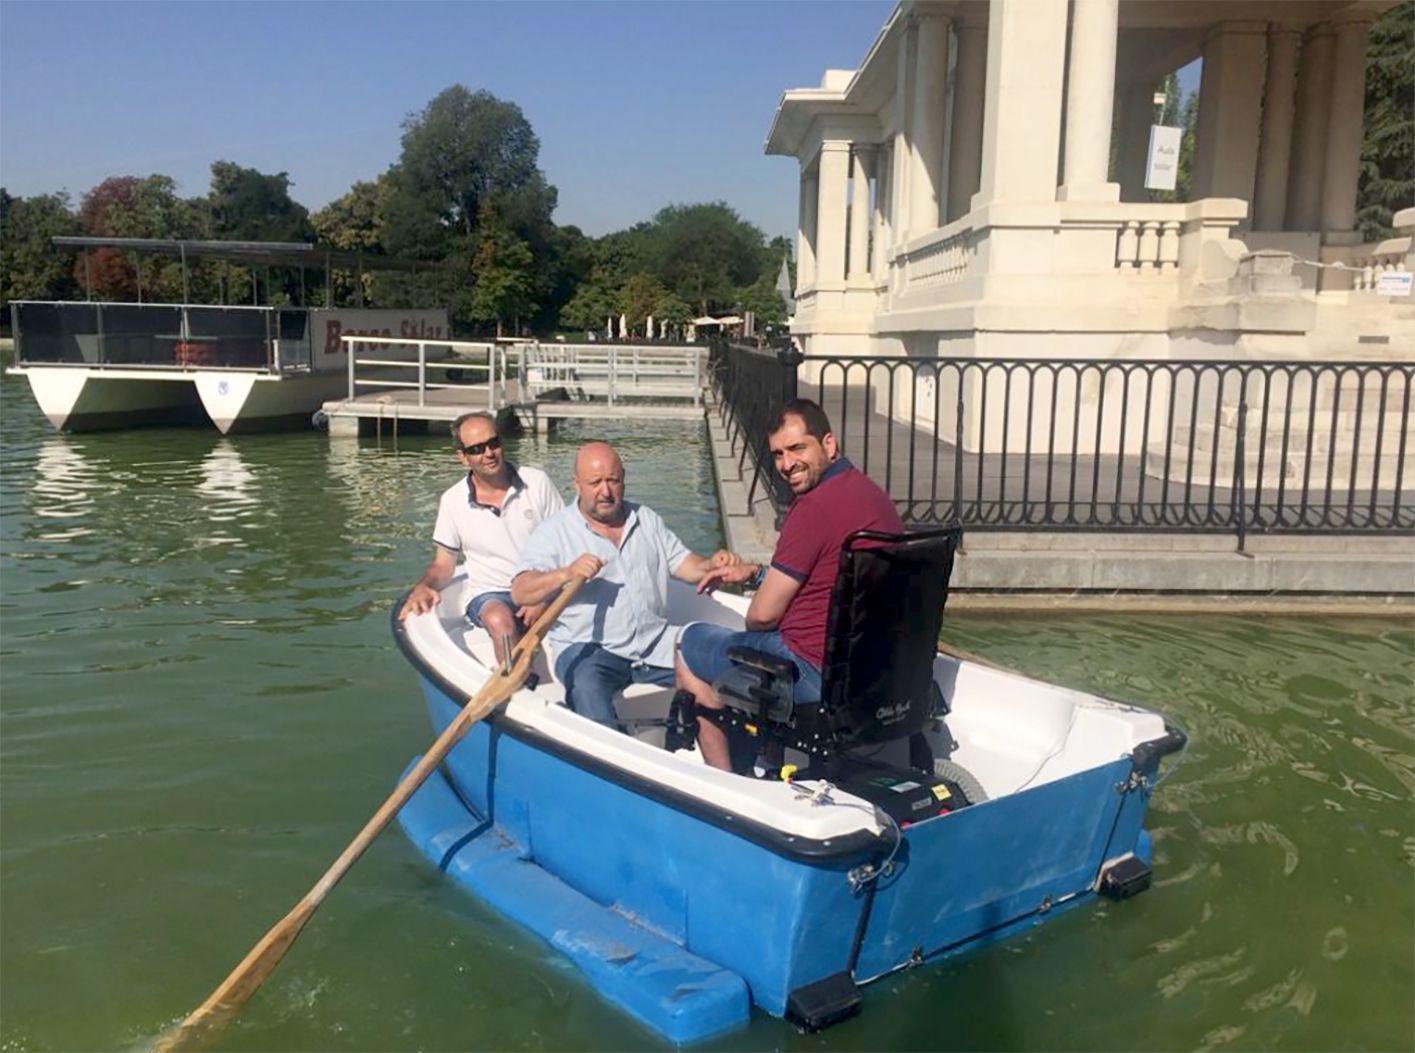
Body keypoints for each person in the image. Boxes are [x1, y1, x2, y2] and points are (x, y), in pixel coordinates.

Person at [676, 398, 905, 770]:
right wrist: (757, 573)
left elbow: (761, 618)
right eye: (778, 454)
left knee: (689, 641)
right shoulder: (873, 498)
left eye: (797, 448)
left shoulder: (813, 508)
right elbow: (831, 578)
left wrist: (763, 596)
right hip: (875, 671)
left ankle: (725, 781)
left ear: (828, 444)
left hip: (809, 673)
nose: (786, 464)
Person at [510, 441, 741, 729]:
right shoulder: (555, 532)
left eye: (613, 481)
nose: (605, 491)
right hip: (590, 652)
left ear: (623, 479)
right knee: (588, 691)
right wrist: (566, 573)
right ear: (576, 484)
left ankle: (728, 762)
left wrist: (712, 565)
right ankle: (607, 764)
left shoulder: (646, 519)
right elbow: (521, 590)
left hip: (654, 642)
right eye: (595, 482)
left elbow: (686, 565)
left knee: (730, 663)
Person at [398, 411, 564, 664]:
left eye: (493, 443)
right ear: (463, 458)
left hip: (540, 585)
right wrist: (424, 586)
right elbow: (444, 564)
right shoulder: (452, 501)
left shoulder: (537, 482)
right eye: (477, 448)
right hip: (491, 593)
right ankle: (515, 687)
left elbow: (565, 545)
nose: (488, 453)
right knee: (500, 621)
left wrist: (544, 597)